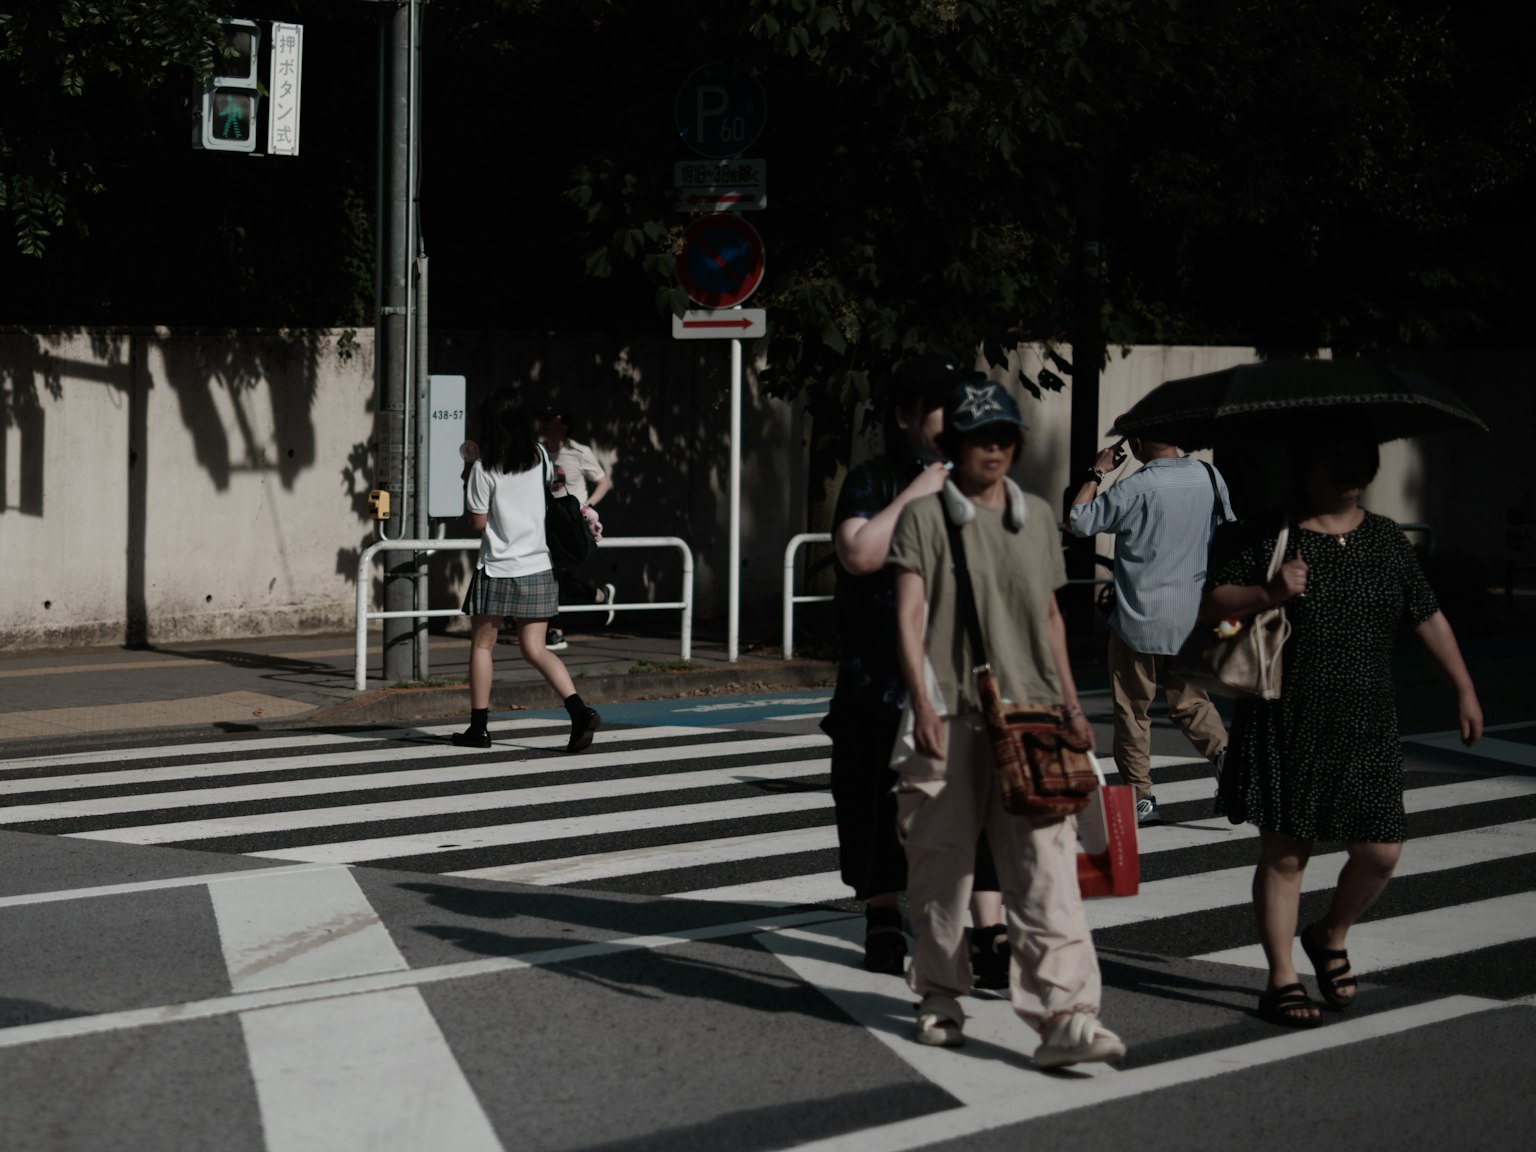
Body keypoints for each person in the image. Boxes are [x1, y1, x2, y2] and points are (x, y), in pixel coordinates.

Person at [1203, 435, 1482, 1028]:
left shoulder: (1385, 539)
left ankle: (1329, 935)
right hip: (1287, 715)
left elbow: (1425, 613)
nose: (1353, 479)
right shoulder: (1272, 533)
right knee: (1285, 855)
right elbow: (1214, 604)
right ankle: (1281, 979)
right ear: (1308, 470)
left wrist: (1463, 686)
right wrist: (1269, 591)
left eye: (1361, 467)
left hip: (1368, 719)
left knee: (1381, 851)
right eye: (1340, 466)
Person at [889, 375, 1125, 1066]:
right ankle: (937, 994)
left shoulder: (1038, 518)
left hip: (1032, 717)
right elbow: (908, 614)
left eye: (1003, 438)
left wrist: (1076, 709)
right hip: (950, 711)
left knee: (1047, 869)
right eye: (977, 438)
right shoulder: (926, 518)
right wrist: (923, 702)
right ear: (952, 444)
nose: (991, 450)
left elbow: (1051, 618)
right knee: (942, 869)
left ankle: (1069, 1015)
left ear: (1017, 445)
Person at [825, 356, 1009, 984]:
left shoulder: (981, 484)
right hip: (880, 679)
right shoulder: (875, 480)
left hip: (962, 679)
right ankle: (882, 917)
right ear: (904, 418)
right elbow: (858, 554)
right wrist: (919, 490)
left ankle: (991, 932)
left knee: (977, 804)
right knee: (876, 802)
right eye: (937, 409)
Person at [1067, 429, 1236, 825]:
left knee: (1132, 709)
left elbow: (1078, 521)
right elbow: (1227, 526)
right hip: (1192, 616)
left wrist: (1096, 471)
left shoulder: (1134, 488)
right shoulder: (1209, 477)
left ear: (1138, 443)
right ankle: (1226, 757)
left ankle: (1141, 798)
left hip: (1138, 618)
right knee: (1192, 702)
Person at [455, 389, 602, 753]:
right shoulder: (540, 457)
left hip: (497, 567)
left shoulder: (486, 466)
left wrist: (469, 471)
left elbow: (477, 523)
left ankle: (479, 729)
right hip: (539, 565)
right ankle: (579, 710)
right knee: (536, 648)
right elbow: (552, 493)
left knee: (482, 645)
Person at [536, 405, 615, 652]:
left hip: (572, 524)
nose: (546, 423)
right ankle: (598, 595)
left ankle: (556, 631)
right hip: (547, 521)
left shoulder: (579, 452)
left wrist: (586, 506)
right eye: (544, 418)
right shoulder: (537, 452)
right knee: (554, 574)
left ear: (564, 425)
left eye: (552, 419)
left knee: (555, 574)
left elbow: (604, 482)